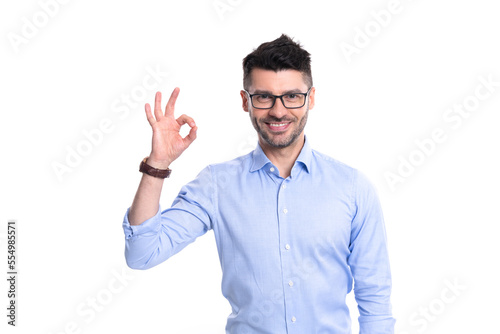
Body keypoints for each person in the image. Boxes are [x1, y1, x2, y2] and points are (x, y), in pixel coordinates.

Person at [122, 34, 395, 333]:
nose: (278, 111)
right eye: (264, 97)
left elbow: (375, 299)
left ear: (311, 98)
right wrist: (157, 165)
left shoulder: (353, 188)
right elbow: (142, 253)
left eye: (292, 96)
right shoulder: (217, 185)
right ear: (245, 101)